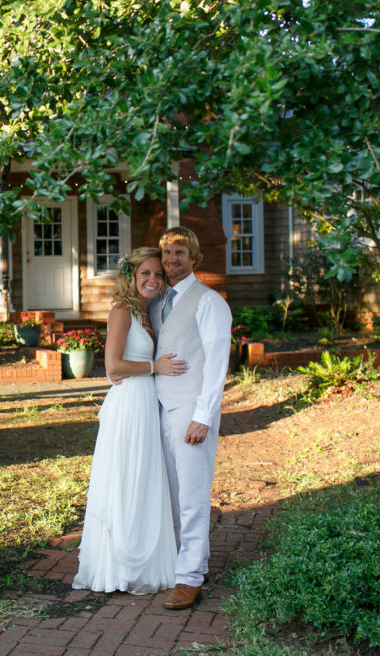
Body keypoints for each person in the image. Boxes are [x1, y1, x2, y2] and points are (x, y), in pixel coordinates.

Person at [72, 247, 188, 594]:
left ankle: (145, 557)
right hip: (128, 404)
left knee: (144, 479)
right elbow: (113, 367)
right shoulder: (122, 311)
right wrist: (156, 367)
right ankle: (119, 562)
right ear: (132, 277)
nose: (153, 280)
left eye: (158, 275)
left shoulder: (149, 311)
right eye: (146, 274)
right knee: (125, 478)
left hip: (146, 403)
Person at [151, 227, 233, 610]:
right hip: (162, 407)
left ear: (194, 257)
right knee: (170, 492)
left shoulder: (209, 300)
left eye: (179, 252)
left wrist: (204, 415)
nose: (171, 259)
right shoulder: (157, 301)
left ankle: (190, 578)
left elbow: (217, 363)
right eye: (167, 252)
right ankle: (180, 562)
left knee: (193, 497)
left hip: (192, 411)